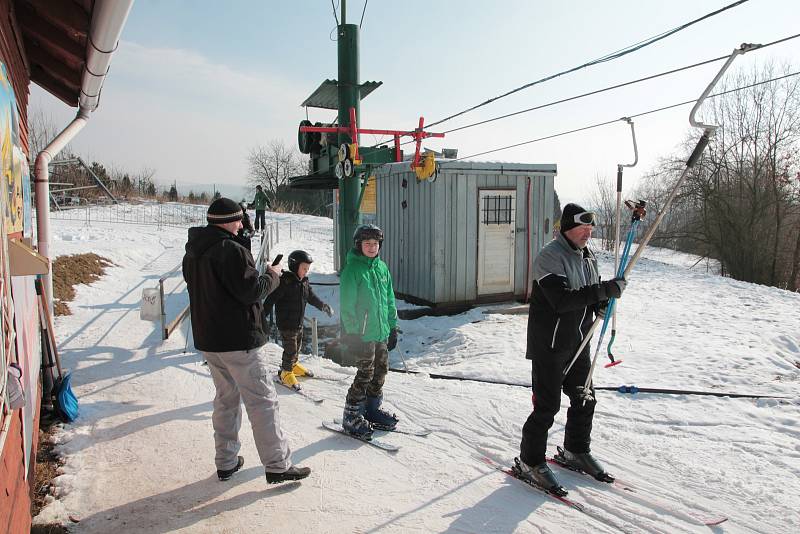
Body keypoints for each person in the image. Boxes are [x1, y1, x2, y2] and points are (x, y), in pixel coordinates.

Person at [182, 197, 310, 484]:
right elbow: (252, 291)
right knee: (262, 401)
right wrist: (272, 275)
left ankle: (226, 461)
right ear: (228, 221)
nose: (242, 225)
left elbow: (221, 284)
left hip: (210, 340)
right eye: (239, 220)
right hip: (239, 340)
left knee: (226, 400)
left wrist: (246, 253)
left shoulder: (193, 252)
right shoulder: (230, 251)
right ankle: (278, 464)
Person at [516, 203, 626, 494]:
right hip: (550, 346)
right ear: (567, 228)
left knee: (585, 397)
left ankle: (576, 450)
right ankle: (530, 461)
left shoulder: (587, 256)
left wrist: (601, 300)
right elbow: (562, 300)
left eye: (591, 228)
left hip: (579, 340)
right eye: (583, 228)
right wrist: (601, 291)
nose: (588, 233)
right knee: (547, 406)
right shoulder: (549, 257)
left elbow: (588, 294)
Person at [339, 224, 400, 438]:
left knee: (380, 371)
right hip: (363, 334)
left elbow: (389, 299)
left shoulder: (382, 268)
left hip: (380, 331)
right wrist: (353, 333)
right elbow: (347, 305)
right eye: (368, 244)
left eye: (375, 244)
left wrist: (392, 327)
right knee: (365, 373)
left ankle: (371, 408)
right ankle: (351, 414)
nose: (372, 247)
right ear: (359, 245)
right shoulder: (352, 270)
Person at [265, 250, 334, 390]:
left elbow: (311, 297)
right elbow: (270, 299)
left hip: (298, 323)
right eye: (304, 268)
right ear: (294, 266)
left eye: (308, 269)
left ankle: (293, 365)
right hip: (286, 324)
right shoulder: (285, 282)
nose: (306, 272)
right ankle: (285, 372)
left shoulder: (304, 282)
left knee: (297, 346)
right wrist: (262, 316)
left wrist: (323, 306)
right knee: (290, 349)